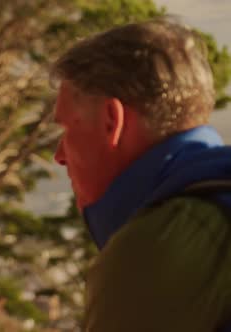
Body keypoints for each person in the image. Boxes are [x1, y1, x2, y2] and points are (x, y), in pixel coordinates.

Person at [51, 19, 231, 331]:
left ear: (112, 120)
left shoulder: (155, 251)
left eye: (67, 128)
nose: (59, 156)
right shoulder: (216, 200)